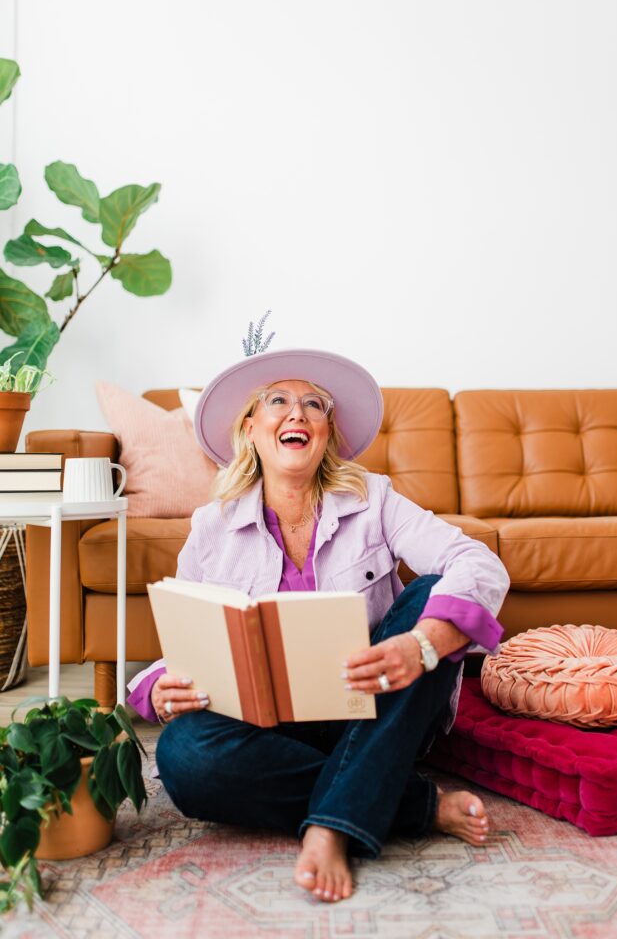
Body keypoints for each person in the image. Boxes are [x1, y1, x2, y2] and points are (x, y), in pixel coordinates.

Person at [127, 348, 510, 903]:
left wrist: (421, 645)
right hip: (271, 731)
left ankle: (330, 828)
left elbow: (478, 563)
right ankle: (415, 805)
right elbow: (188, 641)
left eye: (314, 405)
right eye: (277, 401)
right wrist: (160, 687)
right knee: (183, 755)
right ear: (251, 429)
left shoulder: (374, 498)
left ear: (327, 433)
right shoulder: (211, 528)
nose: (297, 413)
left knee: (431, 590)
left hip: (378, 708)